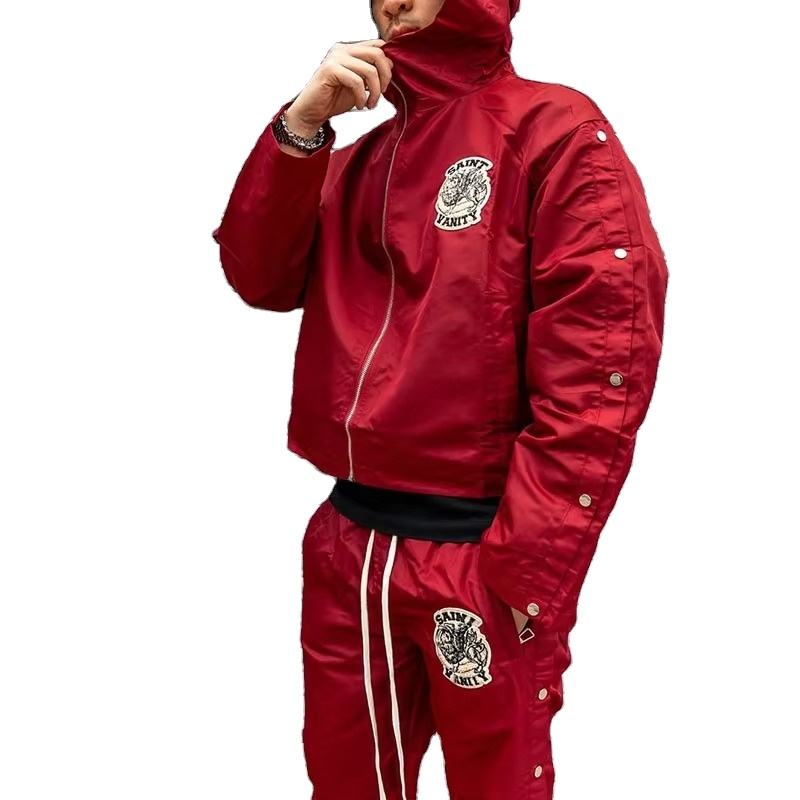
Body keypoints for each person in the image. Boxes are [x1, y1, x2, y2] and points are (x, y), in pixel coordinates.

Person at [212, 0, 669, 797]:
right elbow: (261, 275)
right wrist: (301, 130)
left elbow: (602, 360)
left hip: (478, 548)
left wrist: (530, 567)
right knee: (346, 783)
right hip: (350, 540)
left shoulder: (553, 132)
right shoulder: (359, 160)